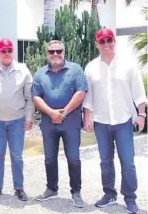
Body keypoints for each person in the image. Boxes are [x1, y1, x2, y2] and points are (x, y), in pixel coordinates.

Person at [83, 28, 146, 214]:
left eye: (109, 40)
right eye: (102, 41)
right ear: (97, 44)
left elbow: (139, 93)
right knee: (105, 161)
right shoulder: (91, 68)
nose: (106, 44)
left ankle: (130, 198)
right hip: (101, 122)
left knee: (128, 161)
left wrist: (141, 115)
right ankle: (109, 194)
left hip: (124, 121)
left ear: (114, 41)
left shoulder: (128, 65)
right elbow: (88, 97)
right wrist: (87, 117)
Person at [32, 40, 87, 208]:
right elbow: (36, 97)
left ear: (64, 51)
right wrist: (51, 113)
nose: (55, 54)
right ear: (47, 53)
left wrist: (64, 112)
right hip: (49, 123)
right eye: (51, 51)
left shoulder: (75, 69)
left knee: (73, 159)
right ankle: (51, 188)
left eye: (58, 51)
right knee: (49, 158)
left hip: (70, 122)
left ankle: (76, 192)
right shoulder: (40, 74)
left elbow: (81, 91)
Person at [0, 38, 34, 201]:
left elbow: (30, 97)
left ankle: (19, 188)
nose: (7, 53)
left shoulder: (23, 70)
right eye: (3, 51)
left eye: (9, 50)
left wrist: (29, 118)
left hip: (17, 120)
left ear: (13, 52)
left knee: (17, 155)